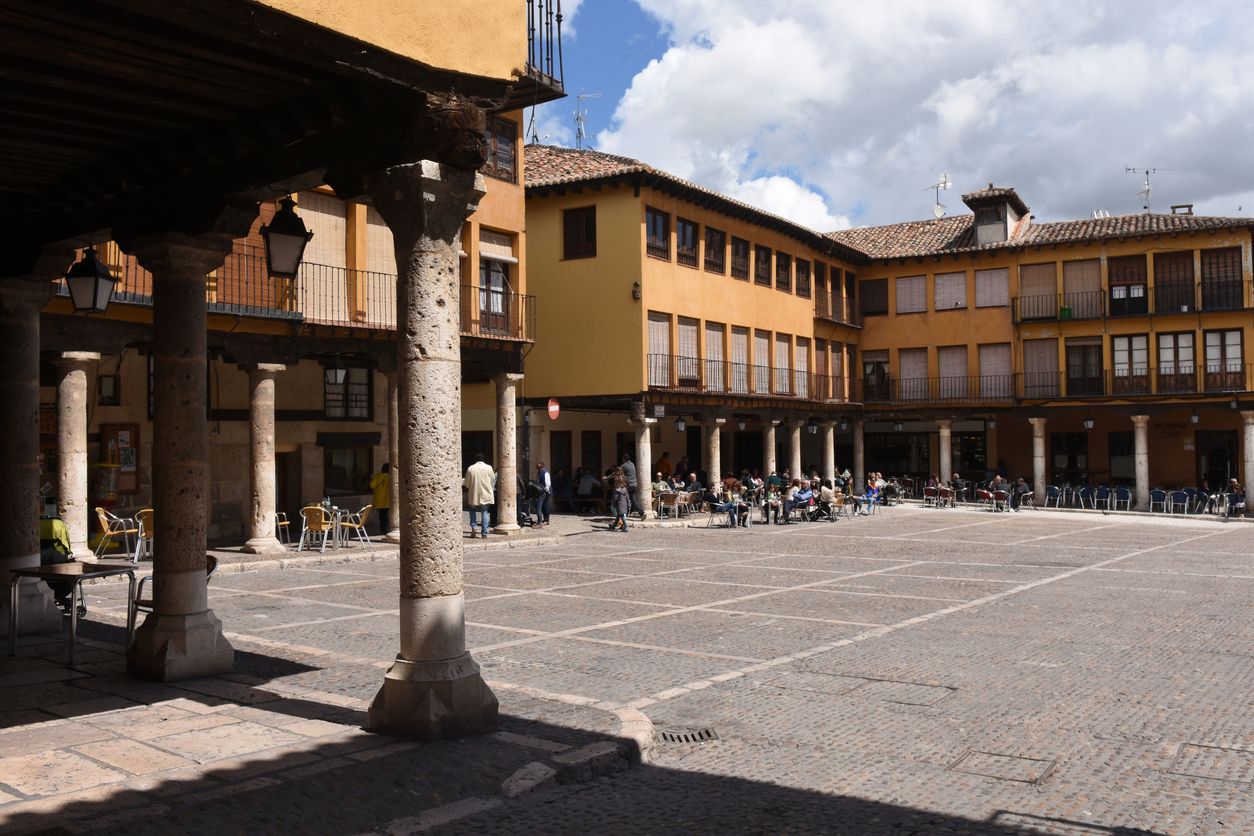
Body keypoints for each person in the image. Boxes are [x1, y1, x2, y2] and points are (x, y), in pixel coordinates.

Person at [463, 453, 494, 539]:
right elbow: (492, 480)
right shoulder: (489, 468)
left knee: (472, 510)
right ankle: (484, 532)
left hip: (474, 494)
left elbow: (467, 483)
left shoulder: (471, 468)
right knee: (485, 512)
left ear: (475, 460)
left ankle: (474, 527)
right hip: (486, 494)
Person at [368, 463, 391, 534]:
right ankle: (387, 529)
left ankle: (382, 529)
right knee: (386, 515)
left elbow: (372, 485)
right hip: (388, 499)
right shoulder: (391, 476)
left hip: (379, 499)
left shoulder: (378, 476)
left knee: (381, 515)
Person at [533, 462, 552, 526]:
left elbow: (548, 484)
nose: (538, 469)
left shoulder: (545, 473)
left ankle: (546, 520)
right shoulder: (539, 473)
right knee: (543, 507)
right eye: (537, 468)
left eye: (539, 468)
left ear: (542, 467)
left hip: (545, 492)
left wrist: (545, 491)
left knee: (545, 506)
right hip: (541, 492)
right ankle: (544, 519)